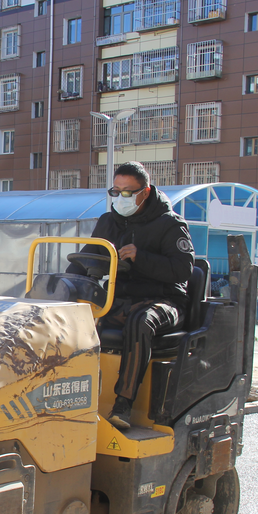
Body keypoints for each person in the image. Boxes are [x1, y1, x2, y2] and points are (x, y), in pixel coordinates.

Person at [66, 161, 194, 429]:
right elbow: (87, 258)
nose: (120, 198)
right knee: (73, 316)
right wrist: (64, 287)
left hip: (166, 300)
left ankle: (123, 405)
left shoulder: (170, 224)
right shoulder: (108, 222)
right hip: (122, 297)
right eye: (116, 192)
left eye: (127, 193)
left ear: (145, 193)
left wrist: (141, 257)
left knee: (141, 320)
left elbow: (183, 270)